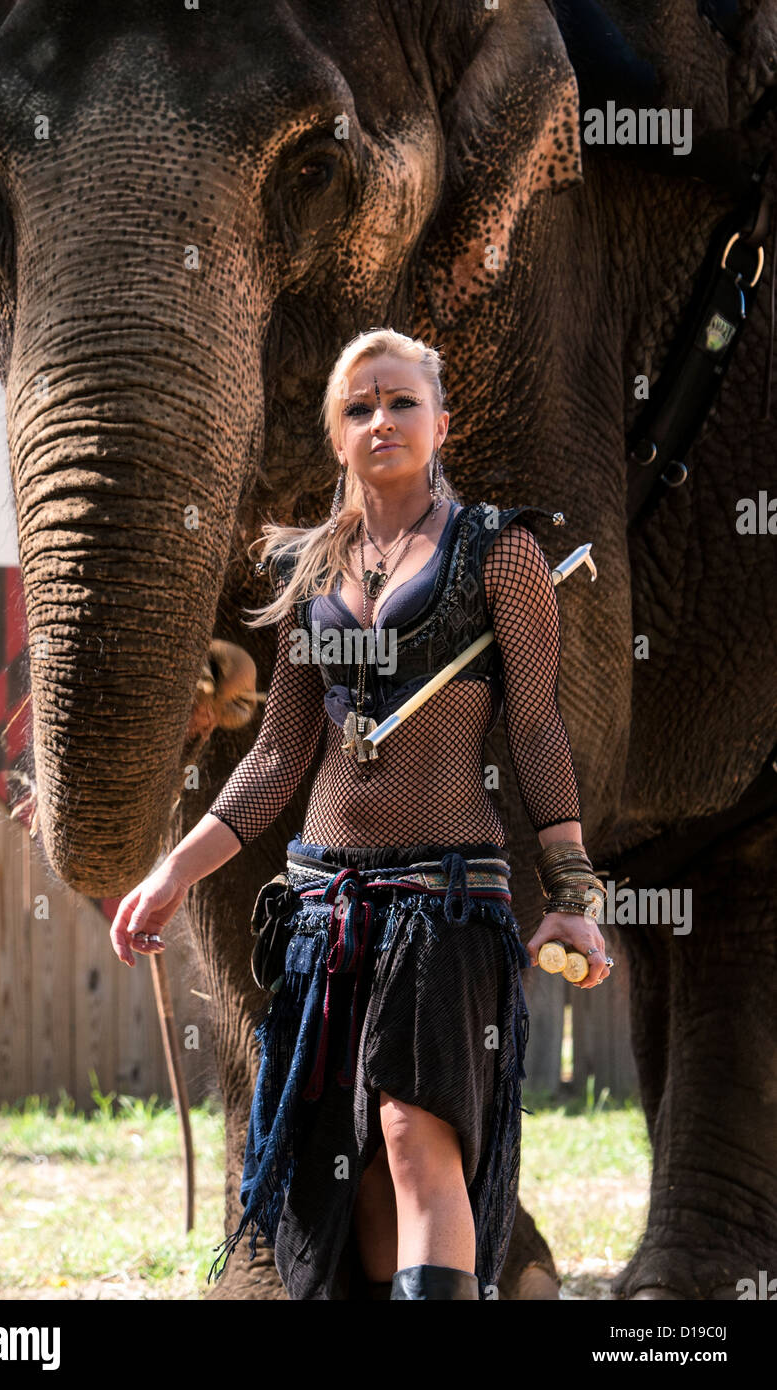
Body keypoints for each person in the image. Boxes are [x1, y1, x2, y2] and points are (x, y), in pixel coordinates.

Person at [109, 327, 611, 1301]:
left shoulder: (500, 554)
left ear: (440, 424)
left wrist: (572, 895)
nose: (382, 419)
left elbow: (538, 728)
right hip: (323, 911)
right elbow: (276, 756)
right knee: (352, 1179)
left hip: (442, 904)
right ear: (336, 434)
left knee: (415, 1134)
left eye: (402, 401)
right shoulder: (307, 569)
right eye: (360, 406)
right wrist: (172, 872)